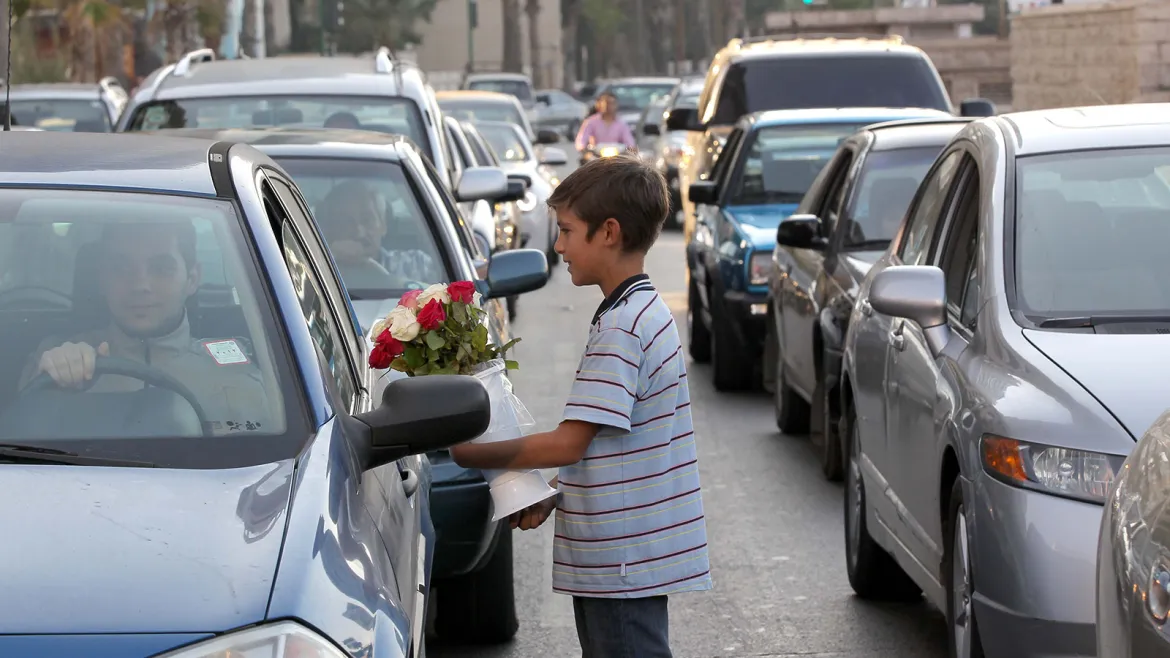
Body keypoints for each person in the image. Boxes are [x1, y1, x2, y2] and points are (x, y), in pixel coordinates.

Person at [449, 155, 712, 658]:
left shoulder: (621, 328)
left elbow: (570, 442)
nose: (559, 245)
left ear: (608, 232)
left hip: (621, 562)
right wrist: (553, 493)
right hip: (625, 554)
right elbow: (609, 444)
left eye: (568, 230)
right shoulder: (638, 310)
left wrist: (469, 453)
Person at [19, 220, 271, 435]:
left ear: (192, 279)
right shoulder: (57, 358)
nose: (140, 284)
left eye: (161, 268)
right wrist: (54, 384)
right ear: (100, 280)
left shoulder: (240, 377)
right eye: (120, 268)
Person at [316, 179, 438, 286]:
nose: (359, 232)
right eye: (346, 222)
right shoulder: (317, 269)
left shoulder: (417, 264)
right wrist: (330, 259)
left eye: (367, 220)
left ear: (383, 225)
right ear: (331, 229)